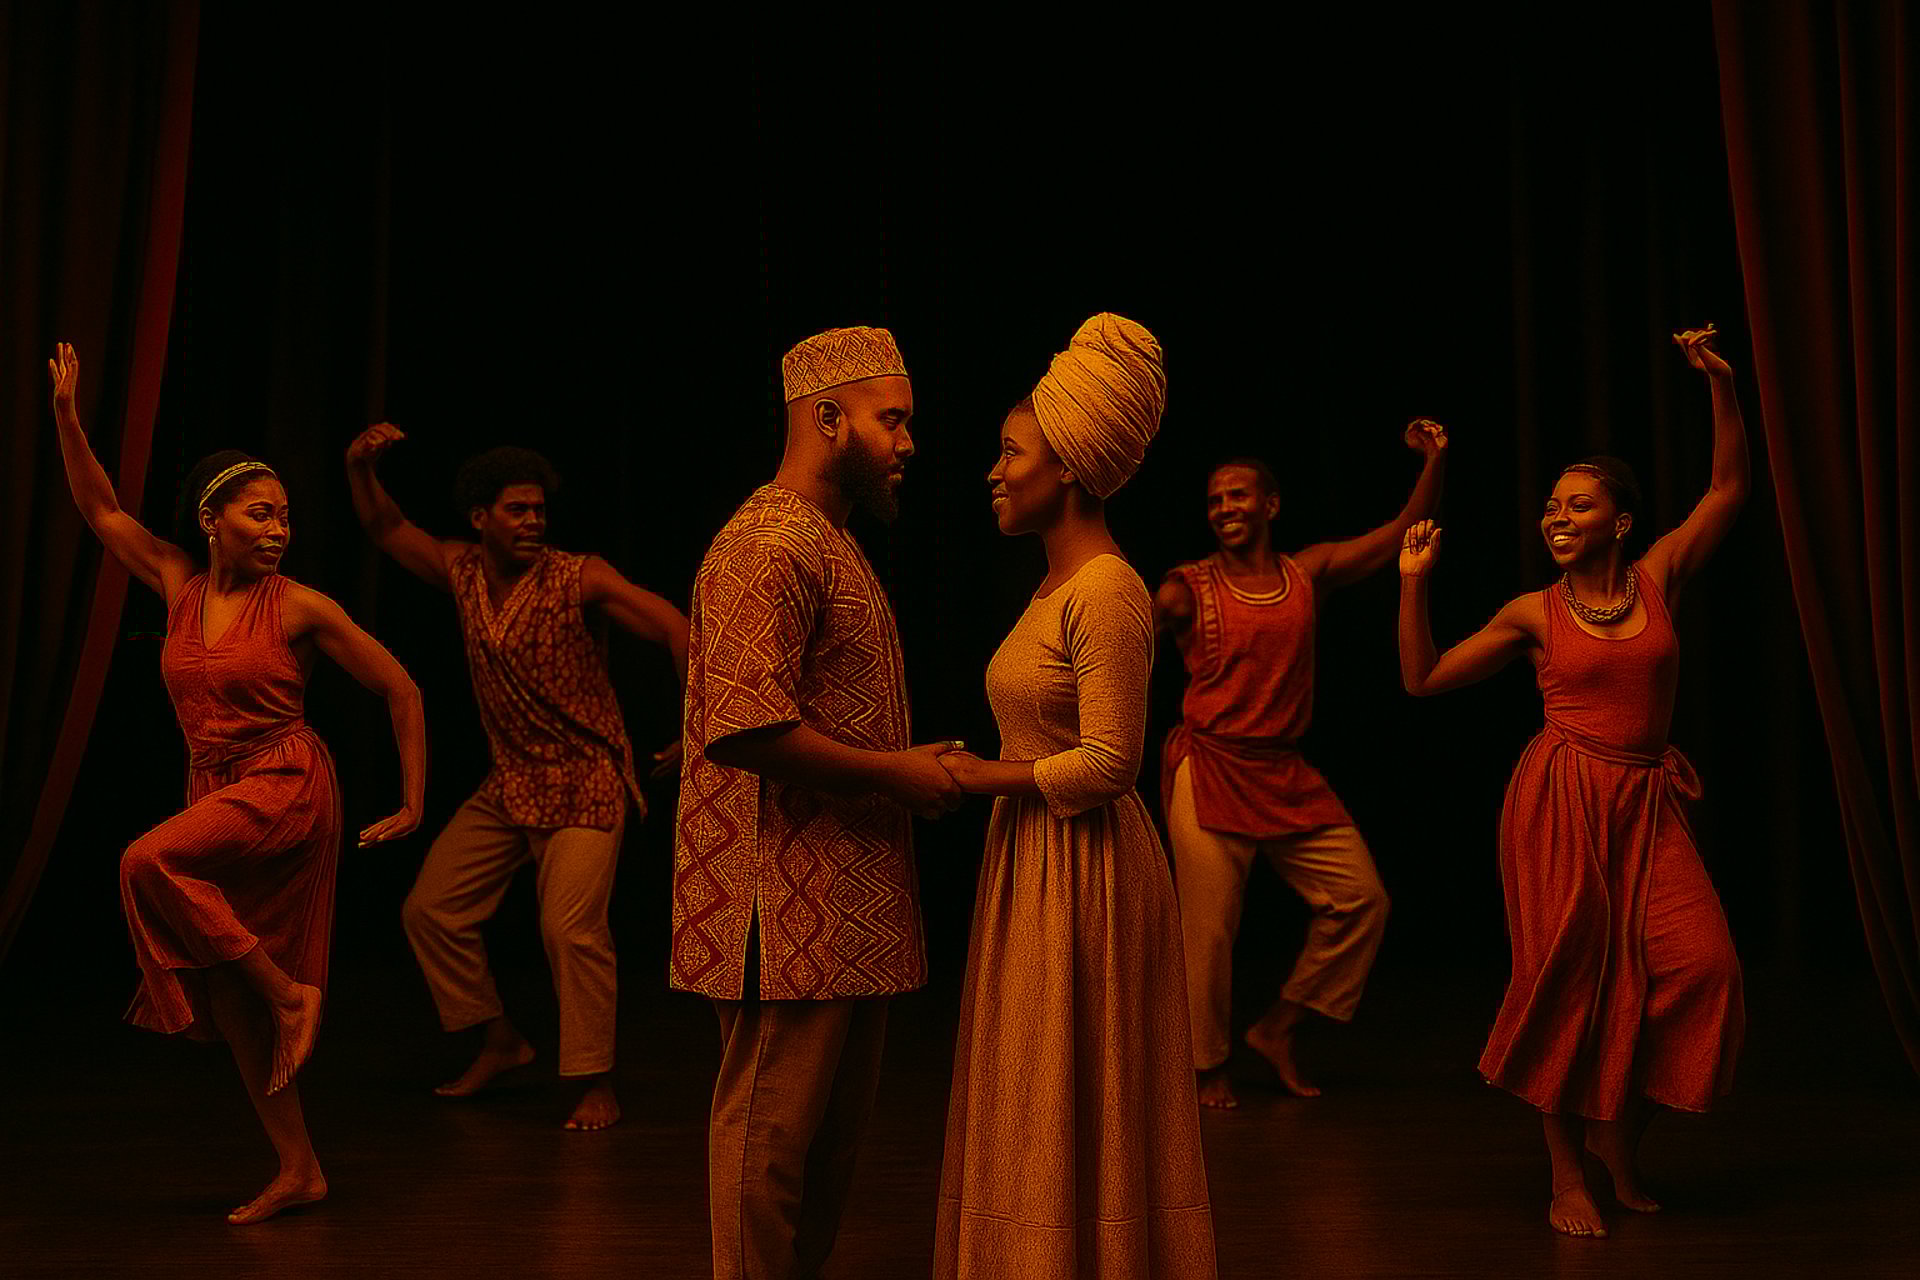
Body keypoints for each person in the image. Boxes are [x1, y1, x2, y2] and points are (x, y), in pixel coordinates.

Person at [49, 343, 427, 1224]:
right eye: (260, 515)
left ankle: (293, 993)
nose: (278, 530)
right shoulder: (177, 582)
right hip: (214, 793)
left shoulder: (298, 606)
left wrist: (412, 802)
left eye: (285, 518)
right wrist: (69, 419)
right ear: (211, 518)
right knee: (230, 992)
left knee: (146, 861)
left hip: (286, 784)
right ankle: (300, 1166)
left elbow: (401, 689)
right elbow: (100, 507)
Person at [1396, 327, 1747, 1239]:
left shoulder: (1659, 573)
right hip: (1559, 806)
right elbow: (1422, 679)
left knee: (1704, 969)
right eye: (1551, 505)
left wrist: (1720, 384)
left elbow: (1729, 489)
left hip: (1647, 803)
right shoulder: (1533, 613)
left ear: (1620, 522)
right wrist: (1413, 586)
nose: (1556, 516)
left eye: (1578, 505)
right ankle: (1565, 1175)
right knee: (1568, 984)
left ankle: (1617, 1137)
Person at [671, 326, 962, 1280]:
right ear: (827, 418)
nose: (908, 442)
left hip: (844, 912)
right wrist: (897, 774)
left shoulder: (825, 540)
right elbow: (743, 727)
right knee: (769, 1150)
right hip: (781, 906)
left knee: (824, 1156)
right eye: (893, 420)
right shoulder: (765, 541)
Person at [936, 314, 1217, 1278]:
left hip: (1084, 868)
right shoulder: (1053, 588)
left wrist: (984, 780)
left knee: (1067, 1083)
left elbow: (1112, 763)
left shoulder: (1107, 589)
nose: (994, 469)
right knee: (1032, 1081)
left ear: (1066, 466)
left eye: (1010, 451)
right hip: (1036, 861)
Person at [345, 429, 687, 1131]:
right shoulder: (461, 572)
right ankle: (500, 1039)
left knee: (569, 929)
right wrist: (359, 467)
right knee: (430, 910)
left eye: (538, 510)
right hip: (511, 783)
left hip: (587, 780)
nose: (534, 521)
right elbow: (385, 527)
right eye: (517, 510)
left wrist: (699, 732)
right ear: (480, 518)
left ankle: (595, 1080)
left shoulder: (578, 576)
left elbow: (678, 630)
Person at [1158, 423, 1447, 1107]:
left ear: (1271, 506)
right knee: (1209, 931)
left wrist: (1435, 460)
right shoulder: (1183, 590)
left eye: (1237, 497)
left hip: (1283, 771)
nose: (1225, 508)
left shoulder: (1305, 573)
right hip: (1211, 764)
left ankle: (1280, 1026)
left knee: (1362, 901)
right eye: (1214, 501)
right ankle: (1204, 1067)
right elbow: (1117, 641)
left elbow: (1407, 527)